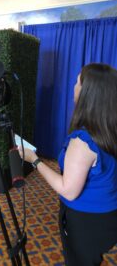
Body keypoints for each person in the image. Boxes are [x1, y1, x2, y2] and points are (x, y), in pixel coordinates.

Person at [18, 63, 117, 266]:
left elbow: (68, 190)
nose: (74, 86)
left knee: (79, 259)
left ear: (89, 93)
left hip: (87, 220)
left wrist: (34, 160)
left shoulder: (83, 141)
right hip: (108, 215)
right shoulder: (109, 129)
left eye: (78, 81)